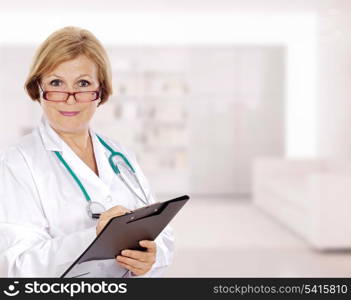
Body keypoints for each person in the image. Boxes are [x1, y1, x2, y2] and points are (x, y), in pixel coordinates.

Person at [0, 26, 174, 277]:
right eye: (56, 82)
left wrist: (151, 258)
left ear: (100, 91)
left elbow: (162, 233)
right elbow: (17, 268)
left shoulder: (120, 155)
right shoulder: (16, 164)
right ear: (38, 88)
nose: (69, 98)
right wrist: (93, 238)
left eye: (83, 83)